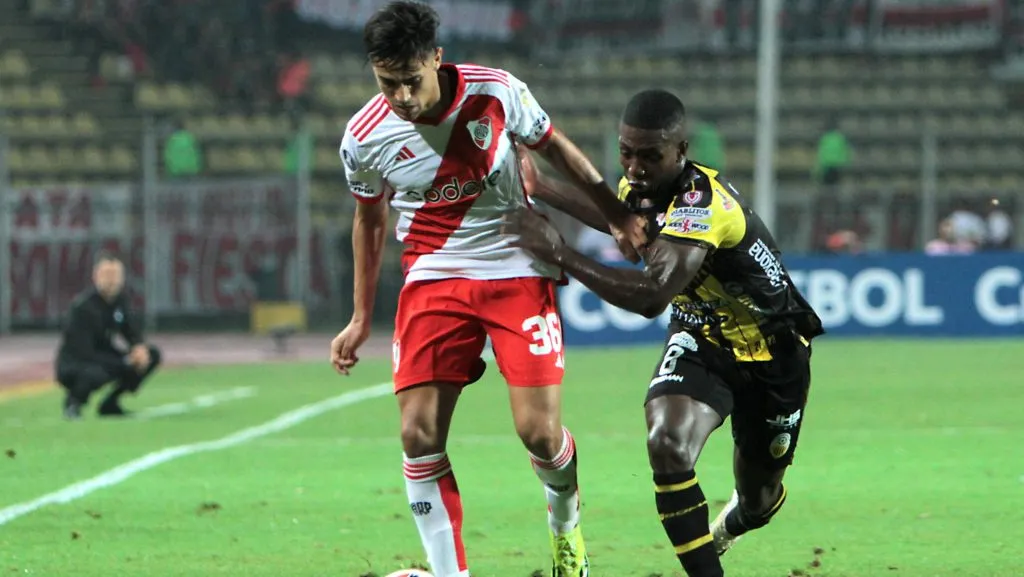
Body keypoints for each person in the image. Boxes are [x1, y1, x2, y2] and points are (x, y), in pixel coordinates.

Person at [328, 3, 644, 576]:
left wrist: (617, 215)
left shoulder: (496, 93)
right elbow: (369, 221)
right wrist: (358, 317)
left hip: (516, 268)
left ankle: (565, 520)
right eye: (386, 83)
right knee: (416, 433)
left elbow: (555, 148)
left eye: (410, 81)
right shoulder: (364, 137)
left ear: (436, 60)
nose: (400, 96)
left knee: (540, 434)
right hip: (432, 275)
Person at [507, 89, 825, 577]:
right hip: (701, 336)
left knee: (758, 499)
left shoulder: (703, 204)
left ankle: (729, 527)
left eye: (650, 155)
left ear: (681, 150)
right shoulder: (640, 188)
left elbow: (652, 295)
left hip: (773, 352)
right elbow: (630, 231)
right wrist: (544, 187)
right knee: (667, 443)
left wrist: (560, 254)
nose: (635, 167)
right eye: (626, 152)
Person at [56, 251, 162, 420]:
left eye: (116, 275)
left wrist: (138, 348)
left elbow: (130, 330)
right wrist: (124, 362)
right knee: (95, 372)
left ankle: (111, 403)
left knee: (151, 355)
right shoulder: (83, 307)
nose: (112, 280)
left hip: (104, 355)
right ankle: (73, 402)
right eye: (107, 275)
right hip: (77, 362)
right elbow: (84, 351)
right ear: (96, 276)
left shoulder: (120, 301)